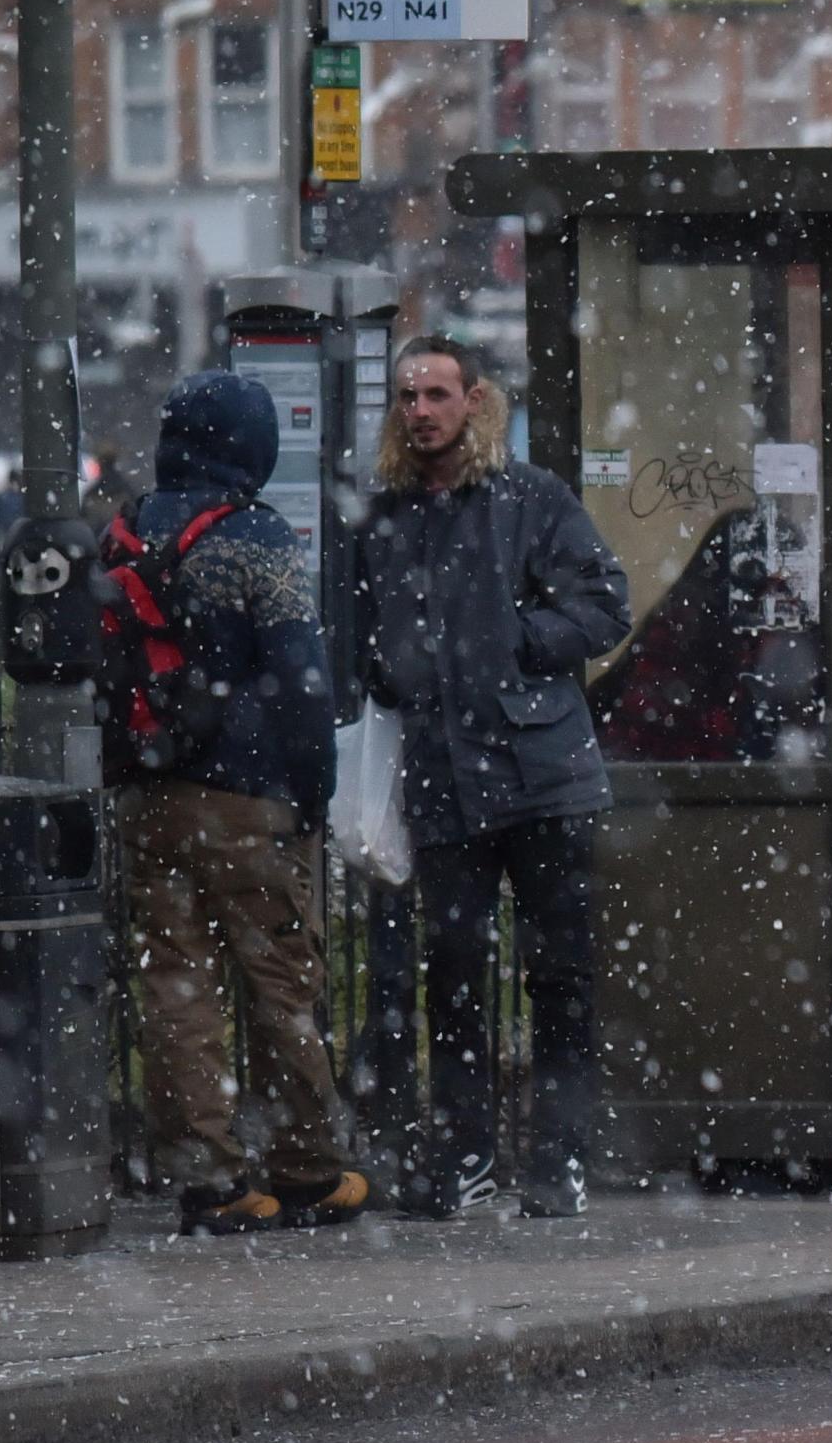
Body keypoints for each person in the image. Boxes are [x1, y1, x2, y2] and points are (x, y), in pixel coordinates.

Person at [359, 335, 632, 1220]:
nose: (422, 409)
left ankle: (559, 1159)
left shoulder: (528, 498)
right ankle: (467, 1156)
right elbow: (365, 633)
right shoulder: (390, 516)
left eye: (438, 393)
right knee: (457, 977)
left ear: (474, 400)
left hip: (541, 771)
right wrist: (388, 668)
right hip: (444, 778)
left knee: (558, 976)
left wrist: (520, 643)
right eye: (409, 395)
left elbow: (603, 605)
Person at [113, 372, 368, 1236]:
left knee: (177, 987)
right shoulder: (257, 537)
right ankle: (305, 1169)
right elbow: (301, 677)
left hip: (151, 792)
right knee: (280, 983)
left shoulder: (130, 525)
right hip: (249, 799)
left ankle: (208, 1180)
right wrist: (314, 788)